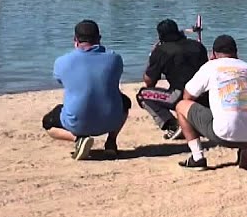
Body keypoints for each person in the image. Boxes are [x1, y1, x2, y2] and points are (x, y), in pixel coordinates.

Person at [173, 35, 247, 171]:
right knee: (240, 104)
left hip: (224, 133)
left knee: (181, 106)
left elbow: (188, 95)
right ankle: (245, 148)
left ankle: (197, 158)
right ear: (236, 52)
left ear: (213, 53)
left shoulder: (211, 66)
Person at [44, 20, 130, 160]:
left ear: (75, 40)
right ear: (99, 39)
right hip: (111, 119)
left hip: (78, 122)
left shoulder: (62, 61)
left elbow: (61, 80)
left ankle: (78, 139)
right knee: (125, 101)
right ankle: (111, 142)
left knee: (48, 122)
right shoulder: (115, 58)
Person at [137, 19, 208, 139]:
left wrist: (152, 56)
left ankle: (173, 125)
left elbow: (149, 81)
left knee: (142, 95)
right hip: (204, 95)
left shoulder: (161, 51)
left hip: (181, 95)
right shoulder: (198, 46)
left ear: (160, 36)